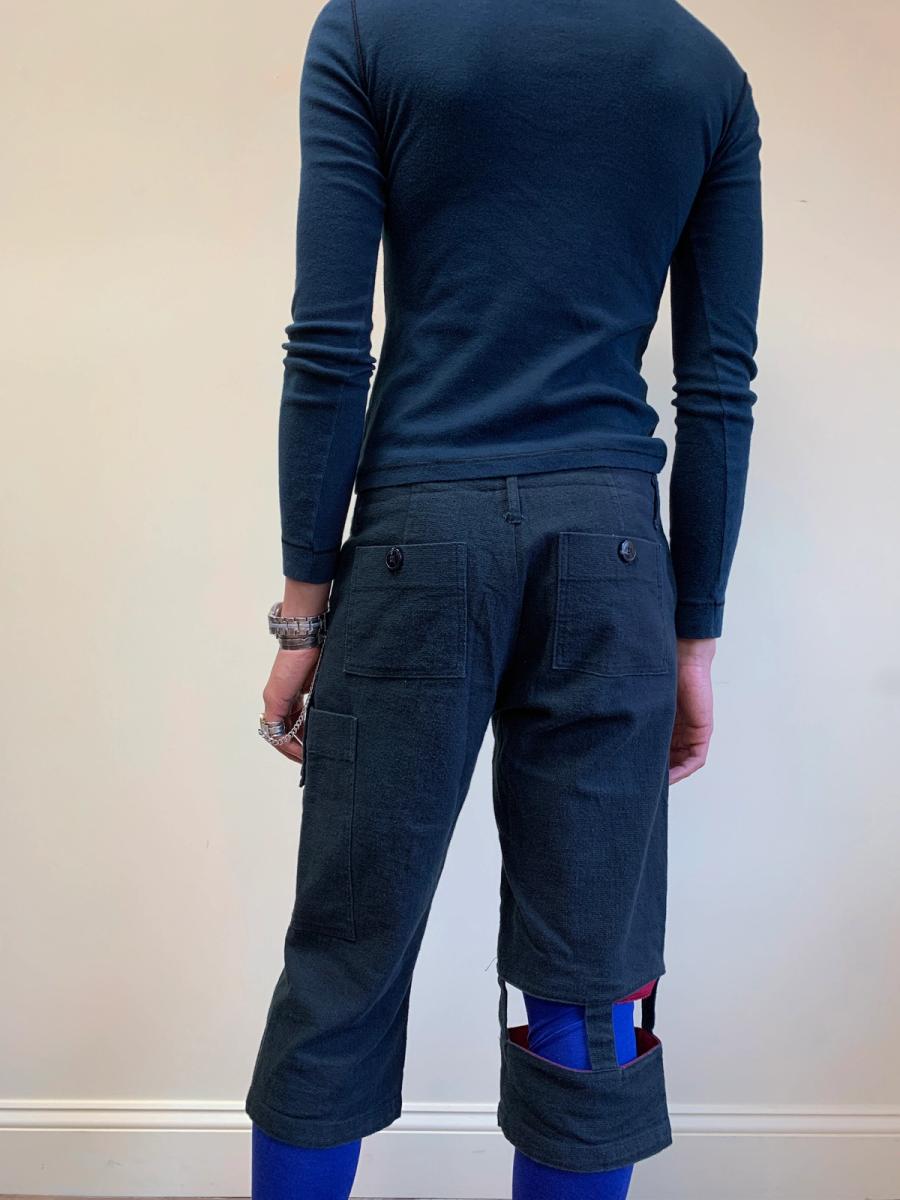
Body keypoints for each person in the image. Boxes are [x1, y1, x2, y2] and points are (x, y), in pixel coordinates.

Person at [246, 0, 763, 1195]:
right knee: (592, 983)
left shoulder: (369, 31)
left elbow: (328, 343)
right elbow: (718, 387)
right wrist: (694, 640)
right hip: (613, 564)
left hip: (415, 544)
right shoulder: (703, 72)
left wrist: (303, 610)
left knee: (343, 961)